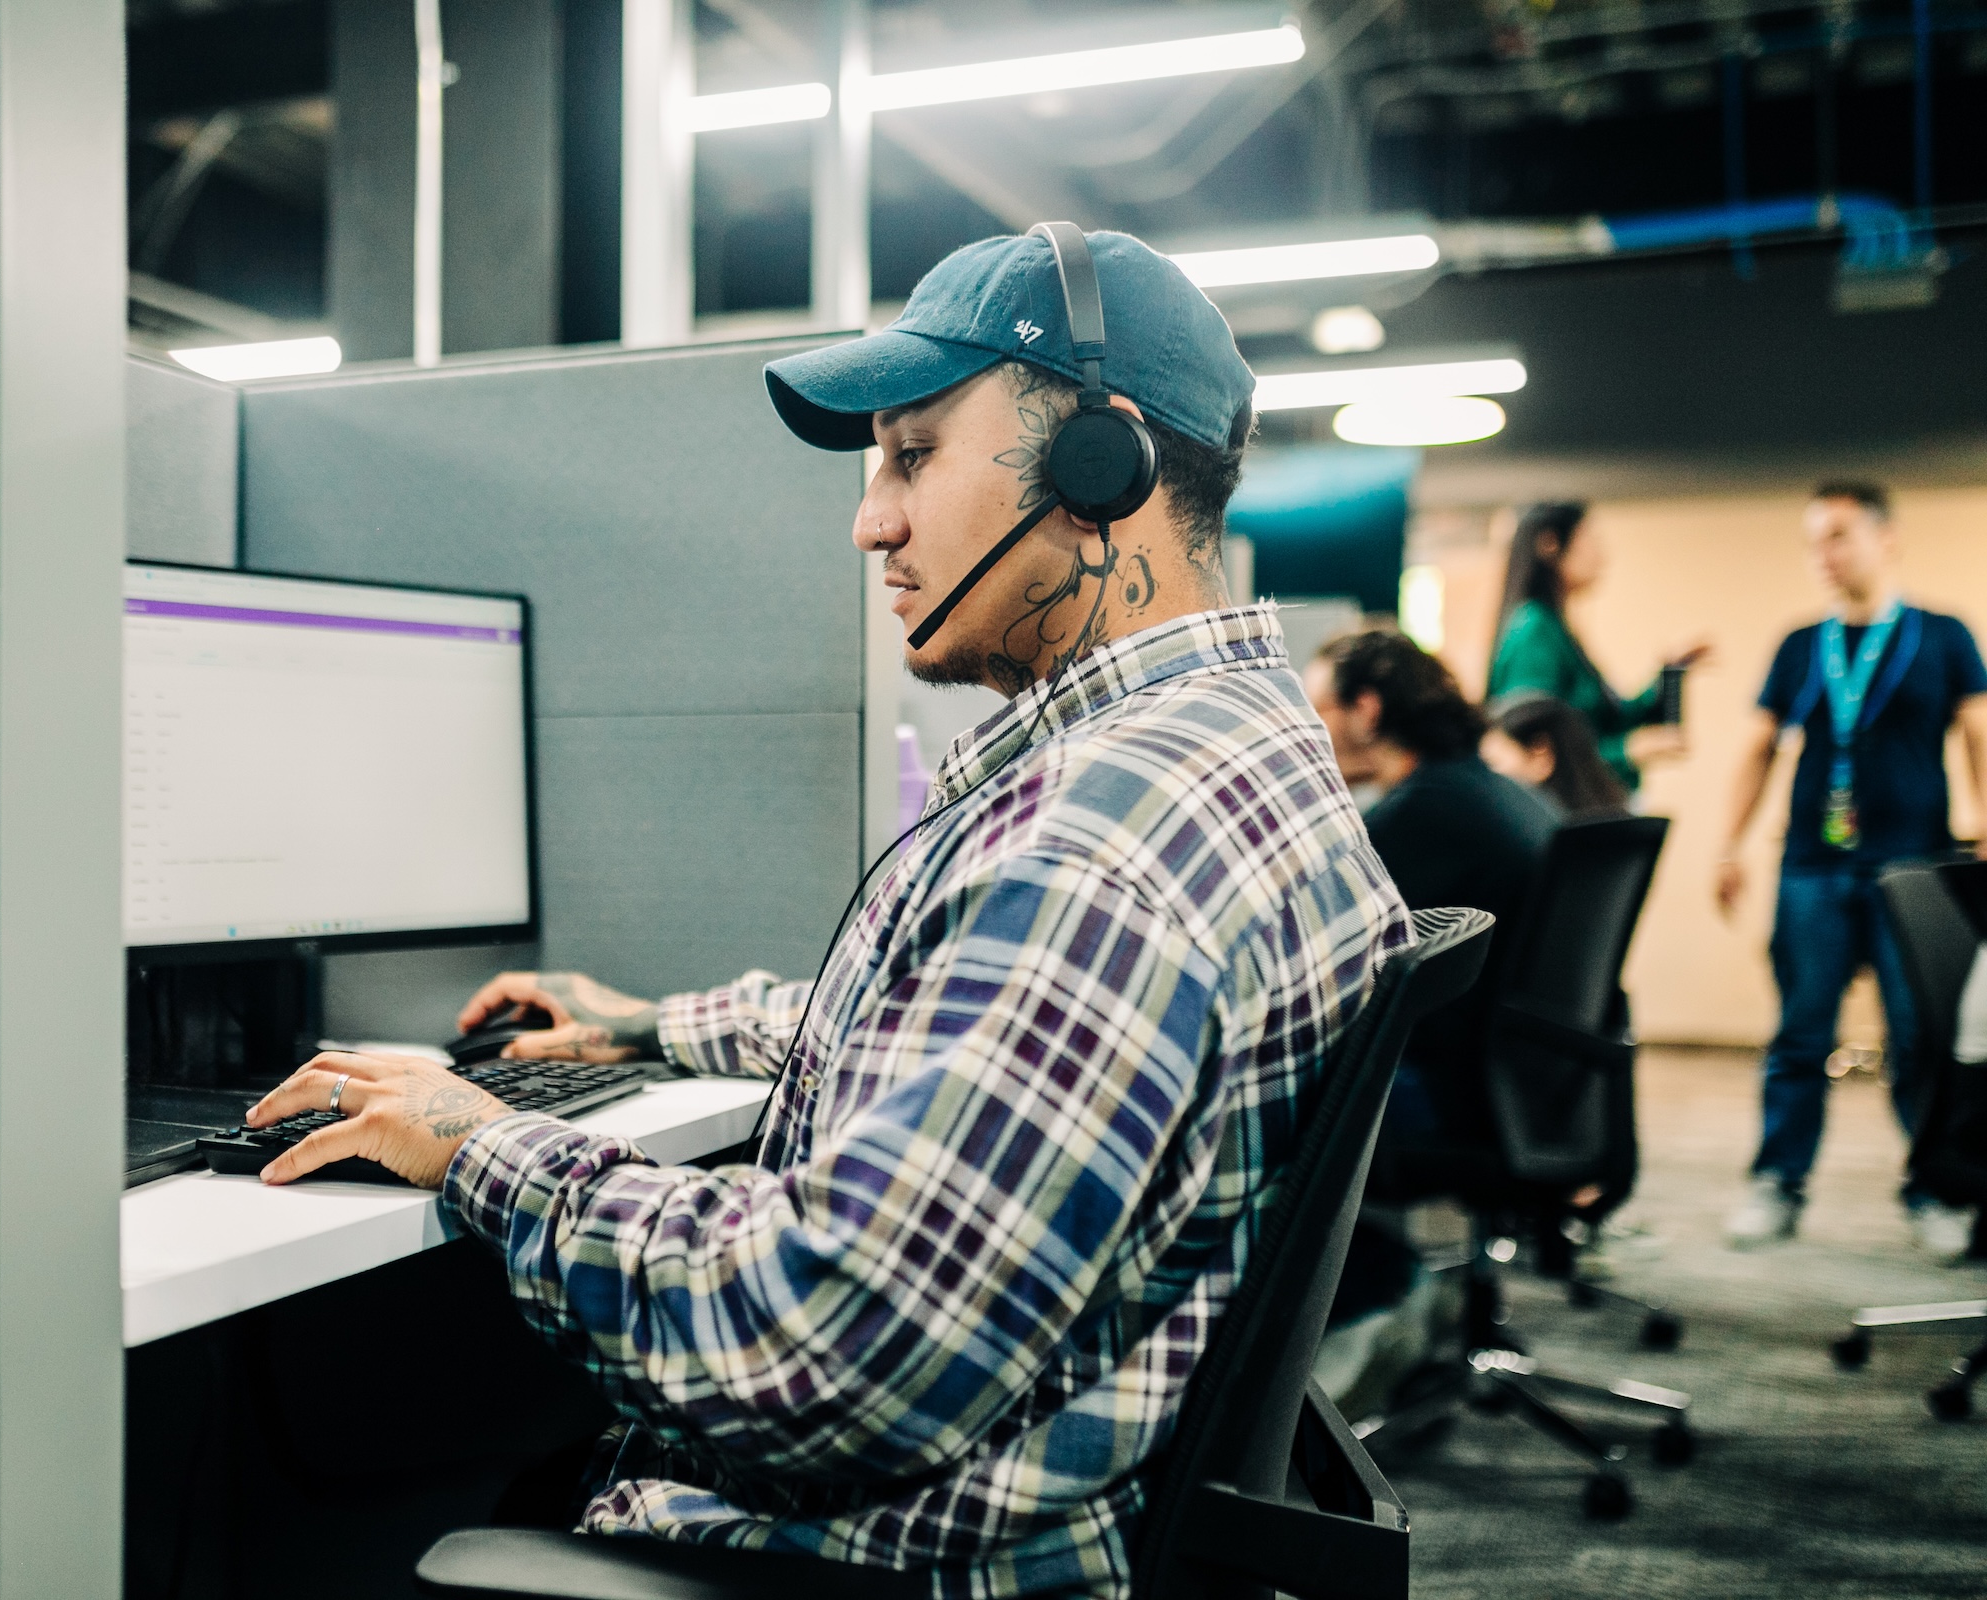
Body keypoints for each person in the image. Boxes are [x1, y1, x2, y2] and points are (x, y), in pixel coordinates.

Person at [238, 230, 1409, 1597]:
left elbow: (820, 1348)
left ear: (1107, 463)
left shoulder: (1103, 847)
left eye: (913, 454)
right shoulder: (1226, 752)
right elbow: (996, 1028)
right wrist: (655, 1029)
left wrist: (487, 1148)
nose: (871, 519)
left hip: (900, 1559)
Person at [1717, 481, 1987, 1254]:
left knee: (1920, 1037)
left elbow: (1978, 731)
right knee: (1801, 1034)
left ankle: (1936, 1186)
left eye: (1837, 536)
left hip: (1913, 873)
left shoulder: (1942, 635)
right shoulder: (1801, 644)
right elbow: (1760, 746)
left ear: (1886, 538)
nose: (1822, 556)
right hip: (1812, 868)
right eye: (1812, 541)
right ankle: (1777, 1183)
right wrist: (1730, 843)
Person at [1309, 629, 1557, 1129]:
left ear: (1366, 710)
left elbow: (1322, 950)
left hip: (1456, 1095)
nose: (1308, 731)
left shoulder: (1423, 812)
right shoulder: (1495, 793)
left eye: (1318, 710)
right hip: (1530, 1091)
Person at [1488, 501, 1705, 793]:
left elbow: (1607, 719)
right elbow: (1532, 752)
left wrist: (1670, 672)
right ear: (1550, 544)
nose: (1601, 556)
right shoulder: (1534, 630)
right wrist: (1627, 751)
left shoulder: (1555, 627)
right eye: (1589, 539)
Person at [1482, 692, 1632, 818]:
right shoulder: (1627, 830)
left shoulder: (1534, 846)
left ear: (1539, 755)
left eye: (1492, 763)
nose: (1483, 776)